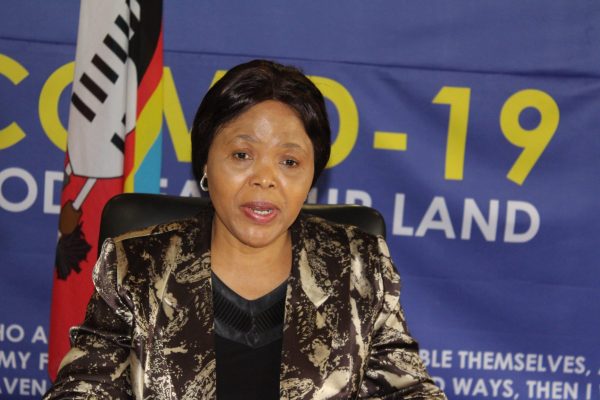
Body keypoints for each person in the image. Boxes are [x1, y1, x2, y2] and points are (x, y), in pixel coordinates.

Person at [44, 60, 446, 399]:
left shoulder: (357, 265)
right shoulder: (137, 265)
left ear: (312, 175)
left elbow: (407, 388)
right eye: (242, 154)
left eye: (289, 162)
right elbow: (83, 388)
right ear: (205, 162)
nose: (265, 179)